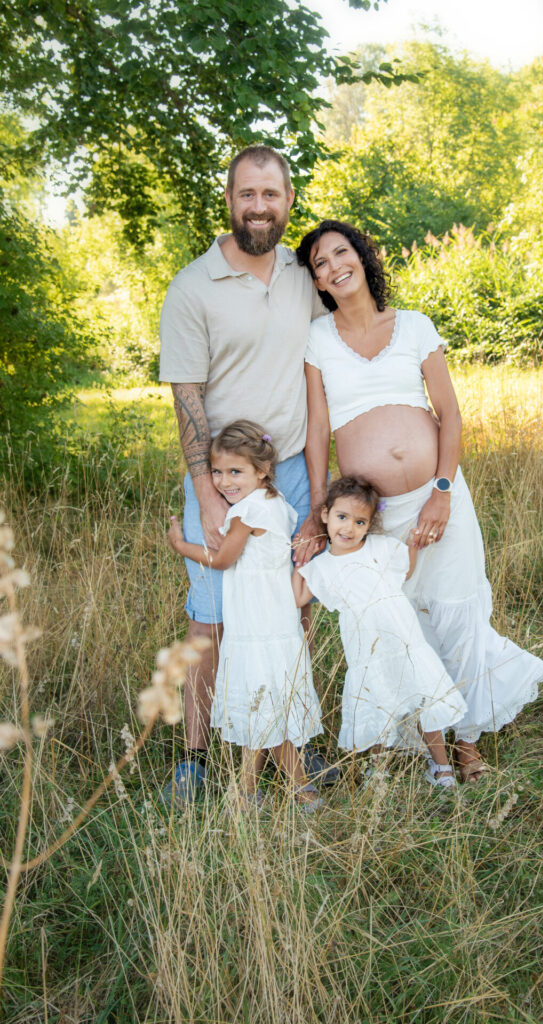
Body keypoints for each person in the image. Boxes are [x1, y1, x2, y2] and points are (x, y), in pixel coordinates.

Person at [295, 220, 543, 782]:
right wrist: (319, 511)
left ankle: (466, 742)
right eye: (320, 262)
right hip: (375, 516)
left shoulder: (412, 326)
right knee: (405, 624)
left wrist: (441, 490)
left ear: (361, 258)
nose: (335, 265)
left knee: (459, 613)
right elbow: (318, 434)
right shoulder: (318, 339)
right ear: (316, 280)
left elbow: (450, 414)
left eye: (342, 252)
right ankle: (422, 738)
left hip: (440, 496)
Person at [159, 145, 336, 806]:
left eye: (272, 194)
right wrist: (207, 492)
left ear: (289, 201)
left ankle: (290, 737)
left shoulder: (303, 276)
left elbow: (321, 387)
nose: (260, 206)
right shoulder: (193, 286)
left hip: (289, 472)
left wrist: (318, 499)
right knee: (211, 623)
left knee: (295, 610)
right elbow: (187, 396)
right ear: (229, 201)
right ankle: (197, 756)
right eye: (248, 194)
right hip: (223, 479)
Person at [168, 421, 323, 809]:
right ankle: (246, 791)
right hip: (276, 621)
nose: (223, 482)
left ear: (262, 471)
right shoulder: (277, 504)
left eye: (235, 472)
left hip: (257, 626)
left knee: (266, 710)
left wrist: (180, 544)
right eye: (217, 472)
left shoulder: (247, 513)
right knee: (265, 705)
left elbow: (221, 559)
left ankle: (303, 792)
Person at [292, 477, 468, 788]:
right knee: (377, 704)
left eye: (360, 522)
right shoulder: (323, 567)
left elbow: (405, 571)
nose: (348, 528)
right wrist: (301, 558)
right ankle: (379, 766)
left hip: (405, 641)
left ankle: (440, 764)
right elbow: (299, 598)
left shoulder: (380, 547)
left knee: (423, 699)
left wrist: (413, 546)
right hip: (366, 650)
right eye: (341, 517)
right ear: (325, 515)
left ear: (370, 525)